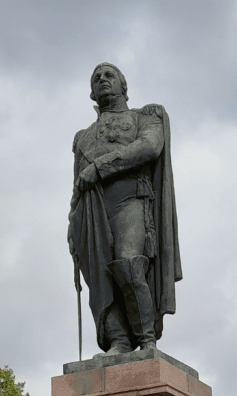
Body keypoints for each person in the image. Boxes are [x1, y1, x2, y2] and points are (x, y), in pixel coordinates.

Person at [68, 63, 181, 356]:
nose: (102, 79)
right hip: (92, 209)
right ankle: (118, 340)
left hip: (130, 199)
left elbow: (149, 147)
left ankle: (146, 340)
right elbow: (78, 183)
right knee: (101, 279)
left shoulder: (145, 116)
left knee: (129, 264)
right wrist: (72, 227)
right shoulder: (83, 137)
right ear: (92, 92)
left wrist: (101, 166)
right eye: (96, 78)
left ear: (123, 85)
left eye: (109, 75)